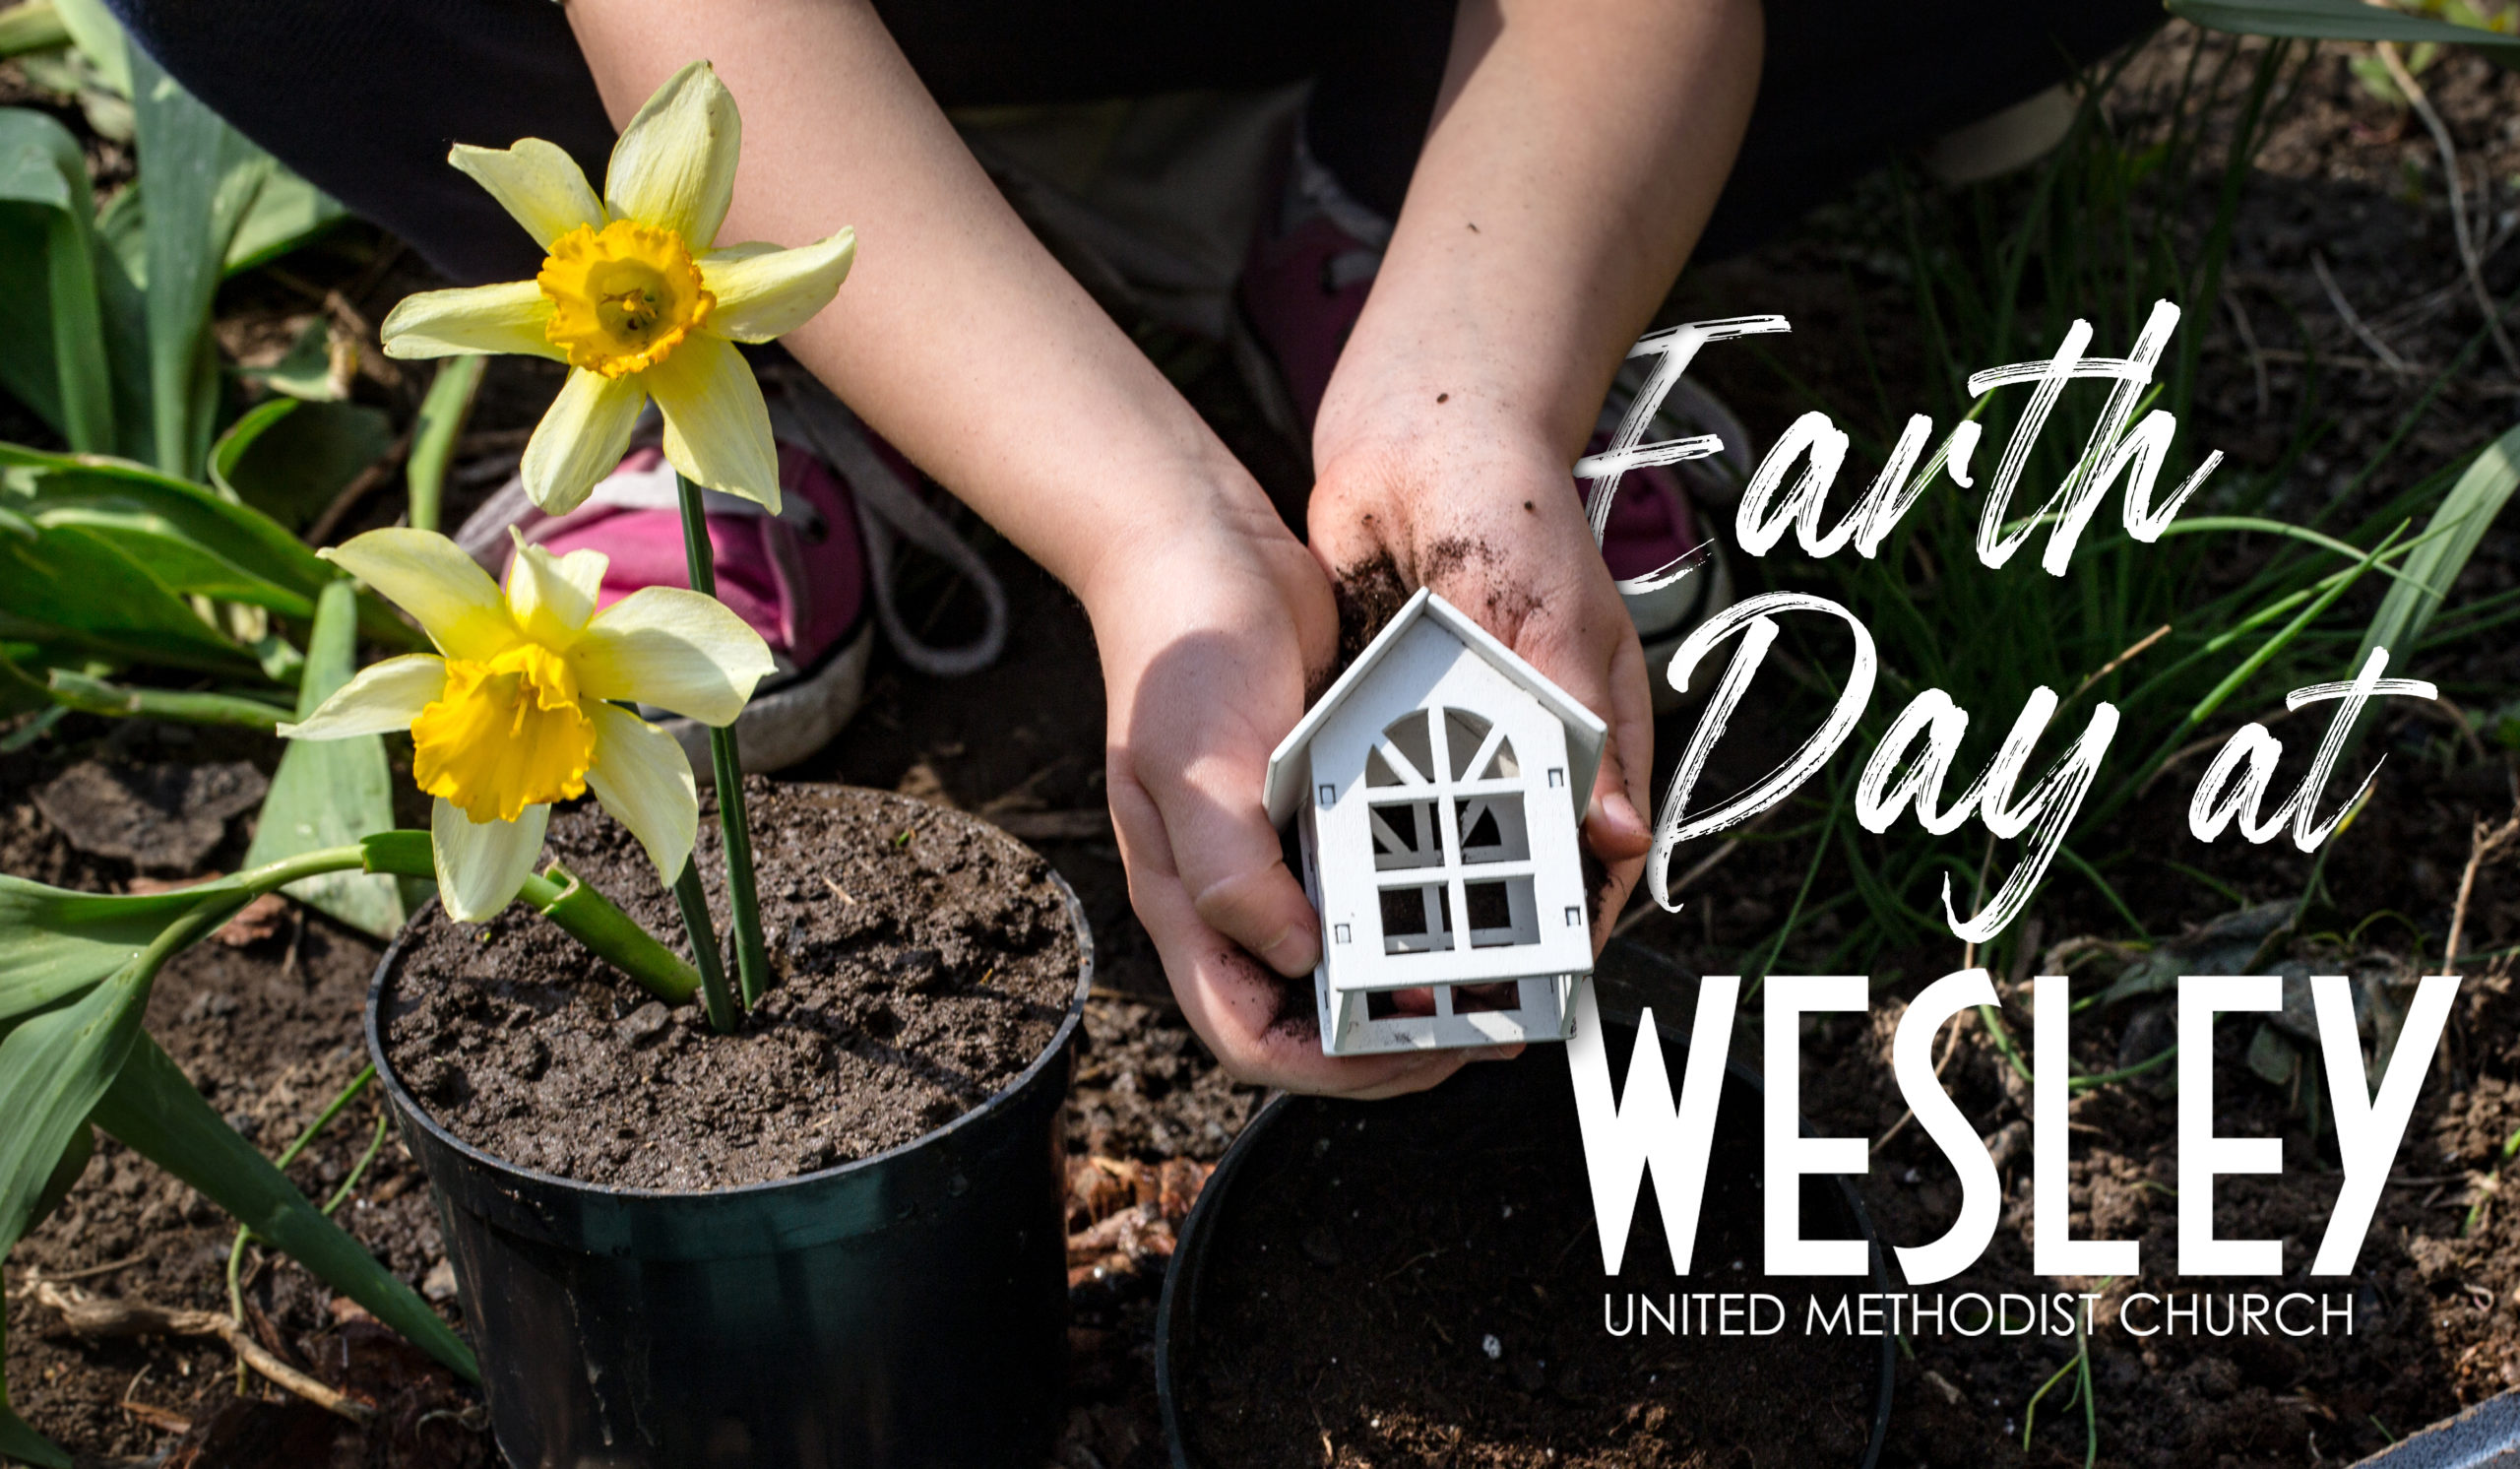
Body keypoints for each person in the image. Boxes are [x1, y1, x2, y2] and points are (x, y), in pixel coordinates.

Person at [108, 0, 2158, 1099]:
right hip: (742, 73)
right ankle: (785, 352)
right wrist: (1147, 530)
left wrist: (1472, 376)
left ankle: (1389, 221)